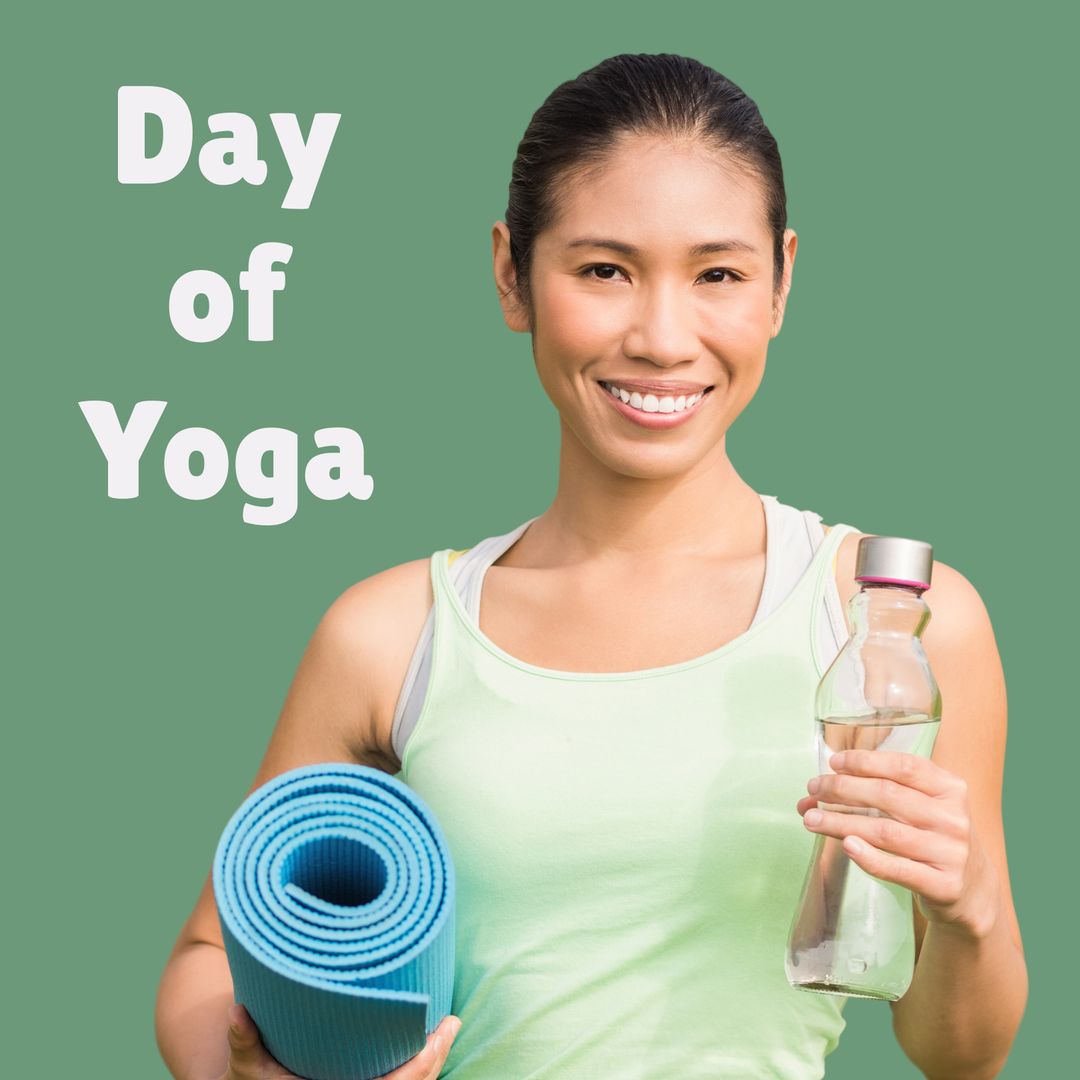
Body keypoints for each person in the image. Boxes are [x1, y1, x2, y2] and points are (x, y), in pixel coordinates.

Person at [155, 53, 1027, 1079]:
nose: (662, 337)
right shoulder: (394, 635)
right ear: (511, 274)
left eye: (719, 274)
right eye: (604, 270)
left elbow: (961, 1056)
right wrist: (256, 1068)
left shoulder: (895, 629)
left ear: (783, 281)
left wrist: (966, 910)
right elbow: (210, 958)